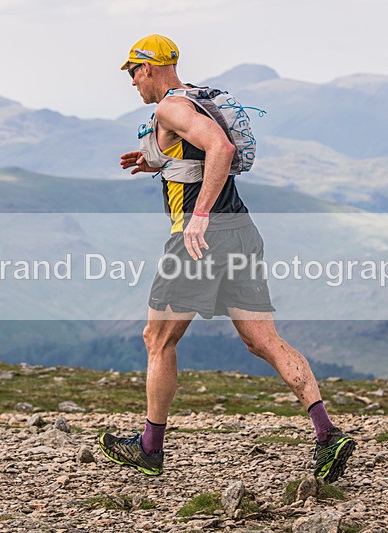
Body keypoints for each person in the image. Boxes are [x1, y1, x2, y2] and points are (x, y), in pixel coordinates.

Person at [98, 34, 356, 483]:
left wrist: (199, 216)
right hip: (240, 231)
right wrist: (156, 161)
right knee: (264, 341)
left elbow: (222, 148)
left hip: (199, 239)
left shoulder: (171, 108)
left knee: (158, 339)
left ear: (149, 67)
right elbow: (200, 156)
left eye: (133, 72)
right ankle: (327, 433)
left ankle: (150, 448)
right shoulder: (194, 101)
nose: (132, 81)